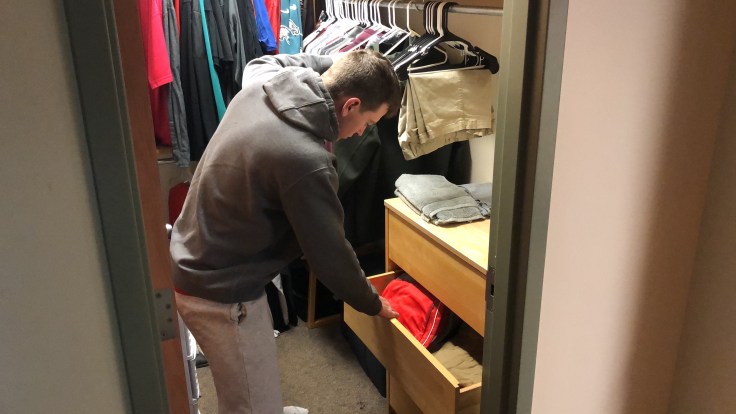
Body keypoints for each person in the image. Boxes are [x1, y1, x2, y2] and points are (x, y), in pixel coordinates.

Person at [170, 50, 402, 414]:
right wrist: (372, 302)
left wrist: (341, 61)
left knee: (253, 376)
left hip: (196, 252)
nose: (363, 132)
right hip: (221, 292)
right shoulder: (306, 160)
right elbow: (330, 255)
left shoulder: (262, 84)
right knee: (249, 401)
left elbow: (267, 62)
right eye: (368, 122)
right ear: (351, 105)